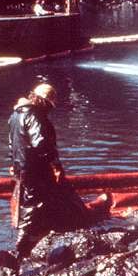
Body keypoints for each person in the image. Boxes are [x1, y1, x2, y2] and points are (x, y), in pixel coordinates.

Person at [8, 83, 90, 258]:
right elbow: (42, 144)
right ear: (46, 102)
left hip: (21, 168)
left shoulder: (16, 115)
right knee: (34, 204)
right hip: (35, 169)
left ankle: (30, 240)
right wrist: (56, 165)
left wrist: (14, 164)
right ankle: (22, 248)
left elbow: (13, 144)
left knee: (30, 202)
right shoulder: (35, 115)